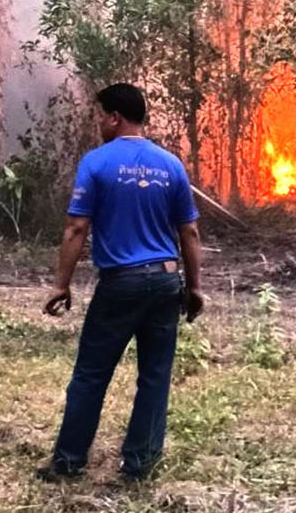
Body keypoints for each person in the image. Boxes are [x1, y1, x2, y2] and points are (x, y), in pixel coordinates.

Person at [37, 83, 205, 483]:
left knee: (91, 374)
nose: (99, 122)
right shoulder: (171, 165)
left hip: (121, 284)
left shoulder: (96, 162)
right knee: (155, 376)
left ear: (115, 117)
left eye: (101, 115)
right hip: (165, 281)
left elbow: (77, 228)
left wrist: (61, 284)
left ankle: (69, 461)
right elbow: (190, 232)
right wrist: (194, 287)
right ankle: (140, 463)